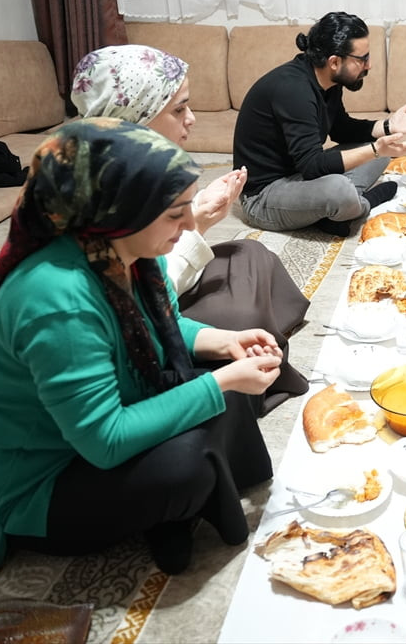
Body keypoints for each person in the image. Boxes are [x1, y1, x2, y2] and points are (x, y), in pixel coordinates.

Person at [0, 118, 283, 577]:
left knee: (223, 392)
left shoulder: (121, 253)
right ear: (119, 211)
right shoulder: (56, 299)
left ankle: (170, 517)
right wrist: (222, 380)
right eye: (176, 213)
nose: (191, 223)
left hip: (89, 442)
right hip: (42, 487)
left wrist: (226, 343)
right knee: (188, 460)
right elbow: (106, 440)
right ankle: (170, 514)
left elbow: (163, 328)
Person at [72, 45, 311, 414]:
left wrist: (197, 218)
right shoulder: (99, 199)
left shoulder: (145, 170)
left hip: (156, 309)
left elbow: (153, 288)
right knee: (242, 318)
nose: (192, 119)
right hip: (136, 339)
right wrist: (197, 222)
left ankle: (254, 339)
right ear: (136, 118)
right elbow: (147, 302)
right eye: (179, 109)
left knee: (250, 252)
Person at [233, 12, 406, 236]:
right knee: (341, 188)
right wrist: (374, 149)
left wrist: (387, 127)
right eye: (362, 59)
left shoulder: (327, 79)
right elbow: (312, 165)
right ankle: (361, 205)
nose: (369, 65)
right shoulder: (294, 90)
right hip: (264, 196)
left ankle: (331, 213)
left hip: (300, 178)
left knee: (377, 151)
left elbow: (341, 128)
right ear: (334, 61)